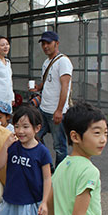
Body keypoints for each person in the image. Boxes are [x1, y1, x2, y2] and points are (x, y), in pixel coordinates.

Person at [30, 31, 73, 169]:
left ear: (57, 43)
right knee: (36, 136)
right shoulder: (46, 62)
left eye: (48, 43)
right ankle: (48, 166)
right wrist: (38, 87)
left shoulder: (63, 61)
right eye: (43, 44)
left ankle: (60, 173)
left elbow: (65, 87)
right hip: (43, 109)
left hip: (56, 110)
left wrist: (59, 110)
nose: (45, 46)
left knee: (59, 145)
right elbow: (47, 81)